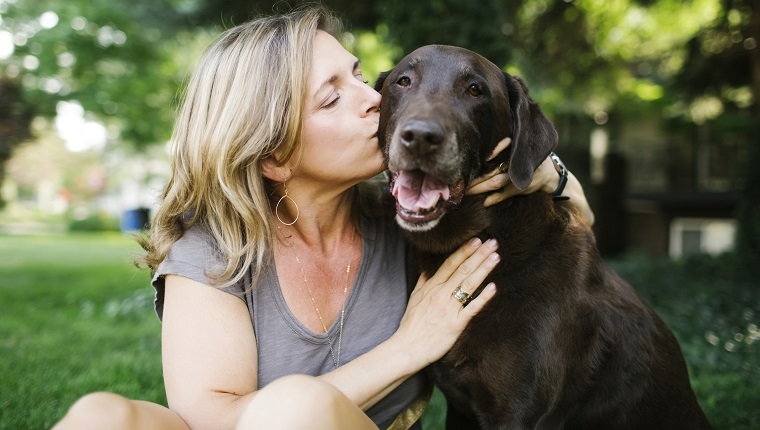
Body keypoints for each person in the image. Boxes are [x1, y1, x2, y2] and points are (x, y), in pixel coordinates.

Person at [52, 5, 593, 430]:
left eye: (360, 78)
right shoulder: (215, 253)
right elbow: (212, 422)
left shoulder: (410, 220)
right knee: (104, 418)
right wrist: (410, 345)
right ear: (274, 156)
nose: (377, 100)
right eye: (332, 99)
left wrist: (550, 174)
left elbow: (573, 234)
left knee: (295, 407)